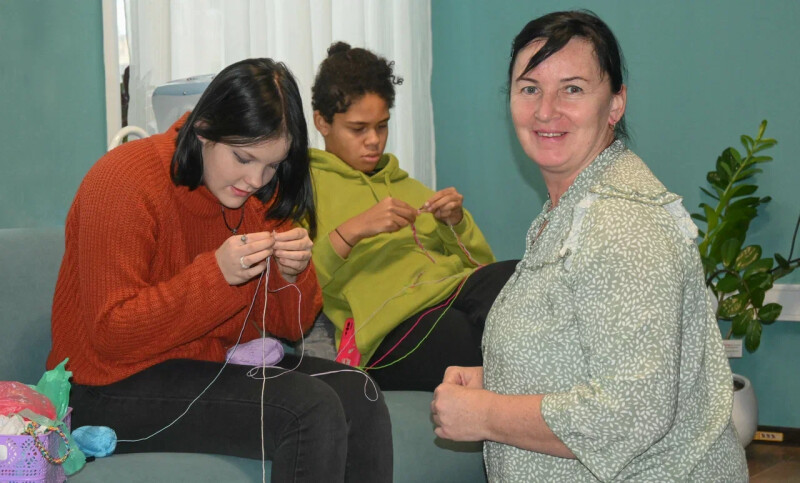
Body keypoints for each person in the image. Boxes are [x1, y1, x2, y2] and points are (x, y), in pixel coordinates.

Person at [431, 11, 748, 481]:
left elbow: (631, 412)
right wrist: (498, 379)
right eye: (530, 87)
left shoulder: (623, 222)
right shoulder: (574, 208)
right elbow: (587, 356)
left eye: (573, 89)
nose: (546, 110)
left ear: (615, 104)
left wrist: (486, 414)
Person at [47, 58, 392, 482]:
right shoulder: (123, 180)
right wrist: (217, 276)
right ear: (203, 127)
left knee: (360, 392)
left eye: (270, 165)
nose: (254, 179)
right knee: (310, 408)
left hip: (208, 366)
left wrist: (291, 274)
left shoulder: (261, 192)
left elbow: (293, 325)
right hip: (107, 385)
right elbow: (111, 333)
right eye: (243, 158)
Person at [306, 42, 518, 392]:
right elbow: (297, 290)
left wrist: (456, 224)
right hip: (389, 331)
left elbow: (480, 266)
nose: (374, 141)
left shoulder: (409, 187)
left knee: (517, 278)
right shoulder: (303, 191)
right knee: (465, 338)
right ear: (322, 122)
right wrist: (354, 230)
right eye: (358, 129)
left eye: (382, 126)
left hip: (449, 291)